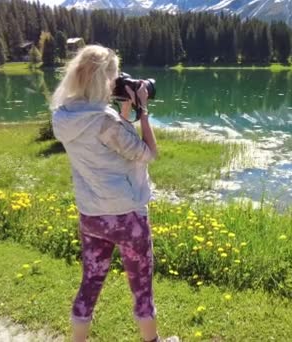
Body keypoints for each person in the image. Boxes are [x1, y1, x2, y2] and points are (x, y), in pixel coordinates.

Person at [50, 45, 178, 342]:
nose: (115, 82)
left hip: (92, 215)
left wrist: (123, 112)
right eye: (112, 76)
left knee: (91, 280)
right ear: (100, 79)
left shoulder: (64, 117)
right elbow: (147, 153)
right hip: (127, 216)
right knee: (141, 285)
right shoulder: (104, 121)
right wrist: (142, 111)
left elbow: (110, 140)